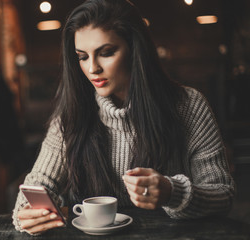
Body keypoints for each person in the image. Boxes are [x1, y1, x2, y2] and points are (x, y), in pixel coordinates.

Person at [12, 0, 236, 235]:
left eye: (106, 53)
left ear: (135, 49)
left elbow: (222, 194)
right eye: (82, 56)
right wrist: (29, 213)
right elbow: (38, 183)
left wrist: (172, 192)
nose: (92, 68)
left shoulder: (188, 106)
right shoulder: (72, 113)